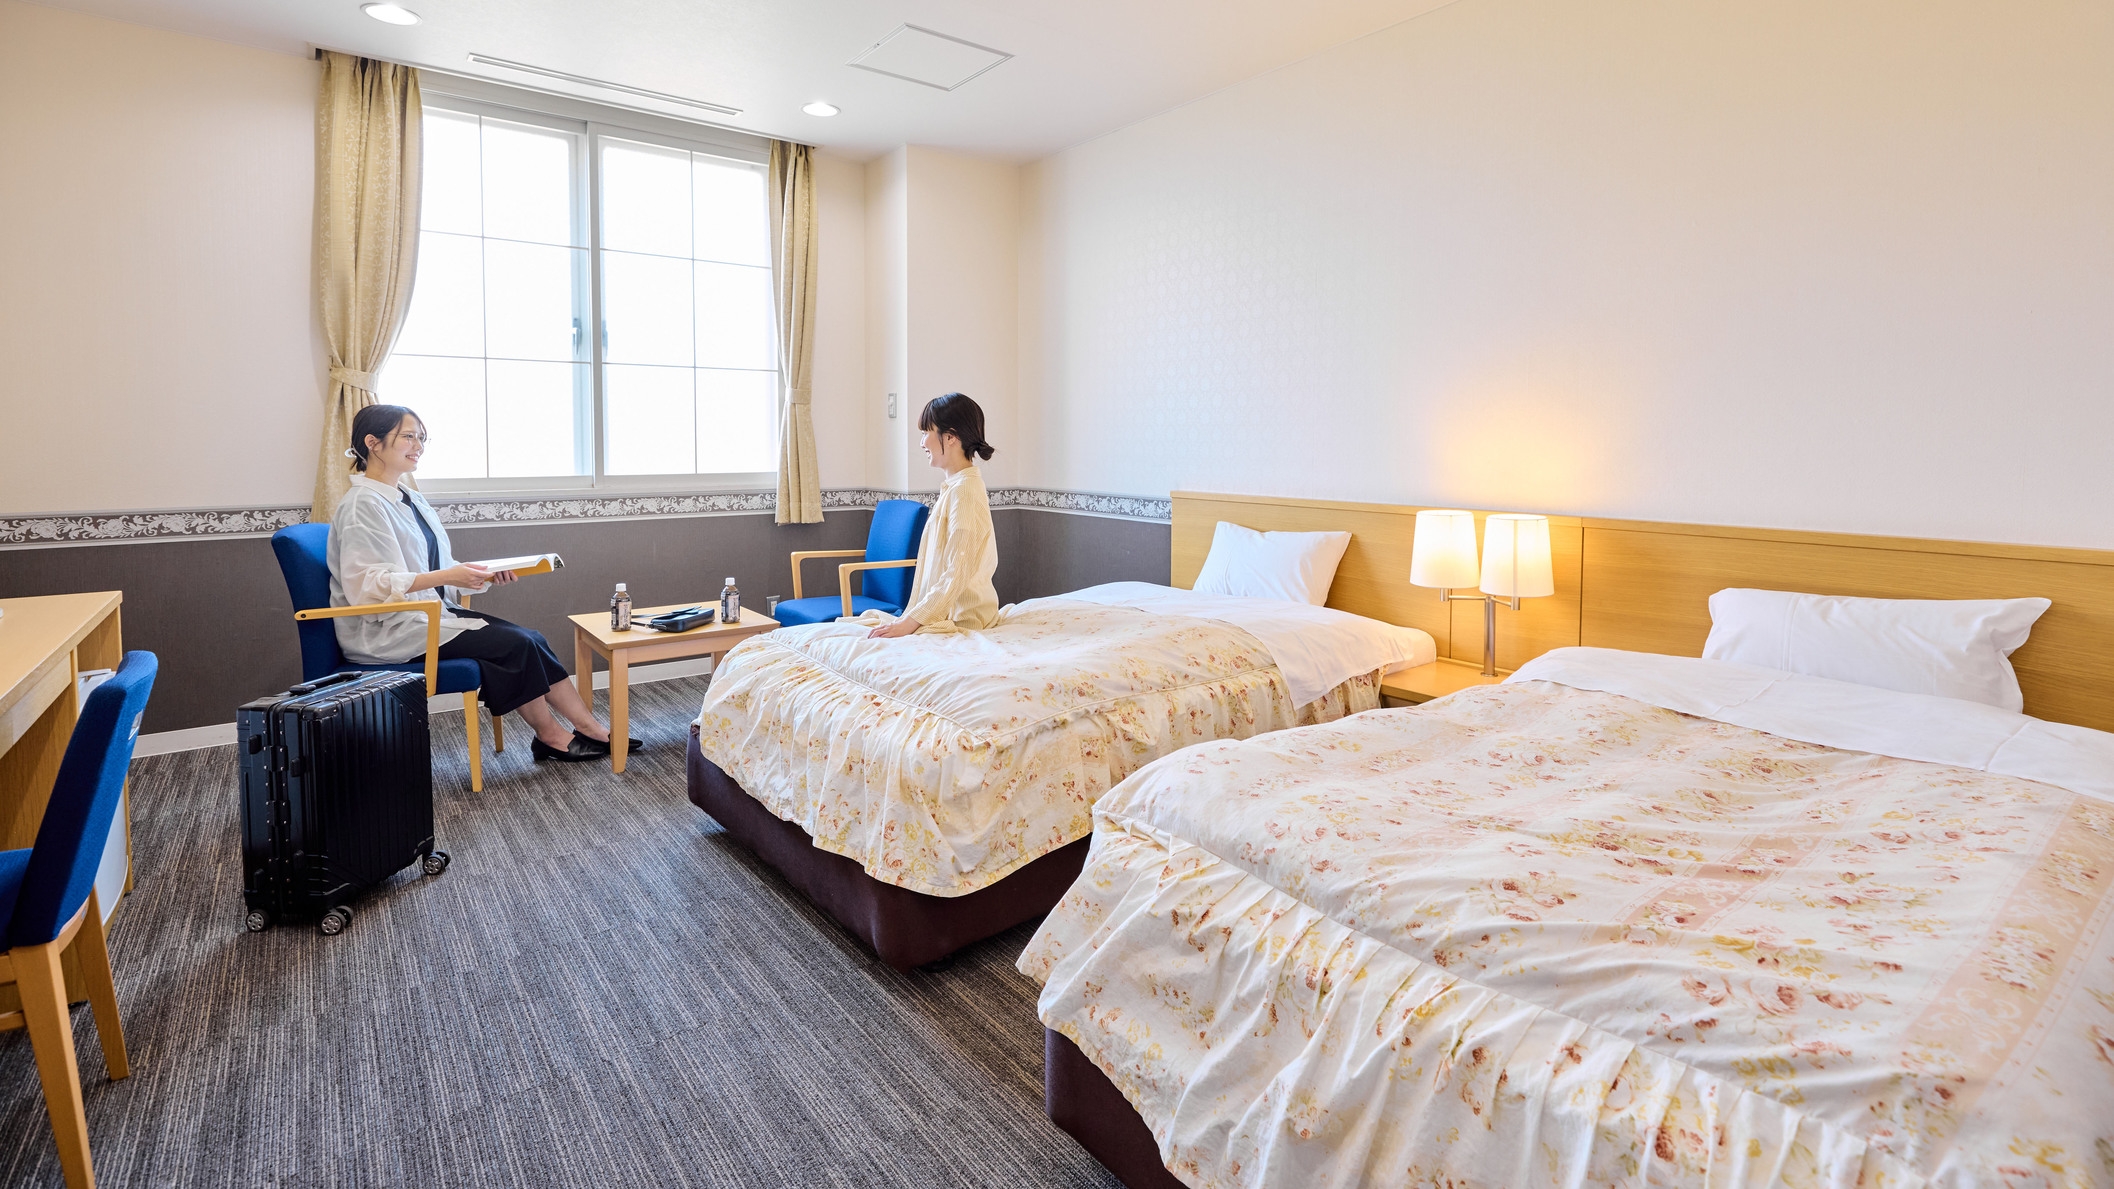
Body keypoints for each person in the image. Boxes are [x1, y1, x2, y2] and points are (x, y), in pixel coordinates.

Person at [327, 404, 637, 763]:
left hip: (427, 613)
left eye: (422, 438)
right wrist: (450, 576)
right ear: (372, 443)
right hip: (388, 629)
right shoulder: (362, 505)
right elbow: (367, 586)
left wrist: (478, 576)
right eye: (408, 437)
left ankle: (589, 728)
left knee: (531, 639)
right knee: (515, 645)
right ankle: (552, 736)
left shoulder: (409, 499)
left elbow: (433, 568)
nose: (419, 446)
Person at [868, 393, 1000, 639]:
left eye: (925, 432)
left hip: (964, 620)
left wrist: (909, 623)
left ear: (950, 437)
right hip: (945, 613)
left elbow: (956, 572)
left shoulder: (965, 492)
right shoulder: (956, 487)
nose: (922, 443)